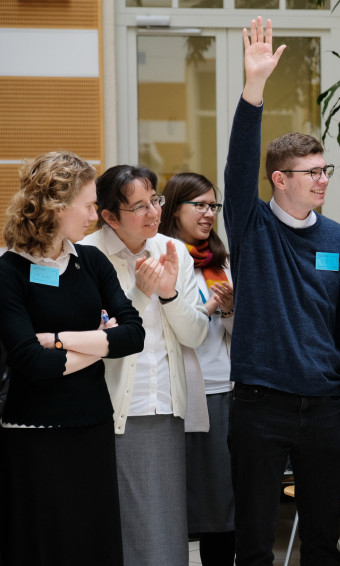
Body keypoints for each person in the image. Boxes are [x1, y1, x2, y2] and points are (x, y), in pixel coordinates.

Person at [224, 17, 340, 566]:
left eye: (325, 170)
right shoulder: (252, 225)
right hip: (261, 405)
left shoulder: (335, 237)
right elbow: (239, 168)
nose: (324, 180)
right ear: (279, 179)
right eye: (311, 173)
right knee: (255, 540)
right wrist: (253, 88)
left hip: (325, 408)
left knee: (323, 540)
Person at [0, 151, 145, 566]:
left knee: (93, 542)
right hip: (35, 434)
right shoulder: (9, 272)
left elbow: (133, 334)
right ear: (56, 207)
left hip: (92, 426)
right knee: (45, 545)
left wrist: (61, 340)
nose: (94, 217)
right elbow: (32, 363)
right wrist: (98, 345)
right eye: (88, 206)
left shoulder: (91, 261)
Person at [80, 164, 210, 566]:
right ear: (109, 216)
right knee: (113, 528)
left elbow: (196, 335)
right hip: (110, 410)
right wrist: (141, 293)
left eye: (155, 200)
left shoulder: (172, 251)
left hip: (165, 405)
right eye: (139, 207)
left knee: (165, 529)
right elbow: (103, 339)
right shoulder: (86, 255)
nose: (154, 212)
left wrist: (168, 294)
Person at [160, 172, 236, 566]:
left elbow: (238, 335)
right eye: (200, 205)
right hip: (177, 391)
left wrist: (229, 310)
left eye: (213, 206)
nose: (209, 214)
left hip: (222, 387)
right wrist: (206, 309)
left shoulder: (222, 262)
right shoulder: (162, 259)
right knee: (177, 501)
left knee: (221, 504)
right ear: (175, 209)